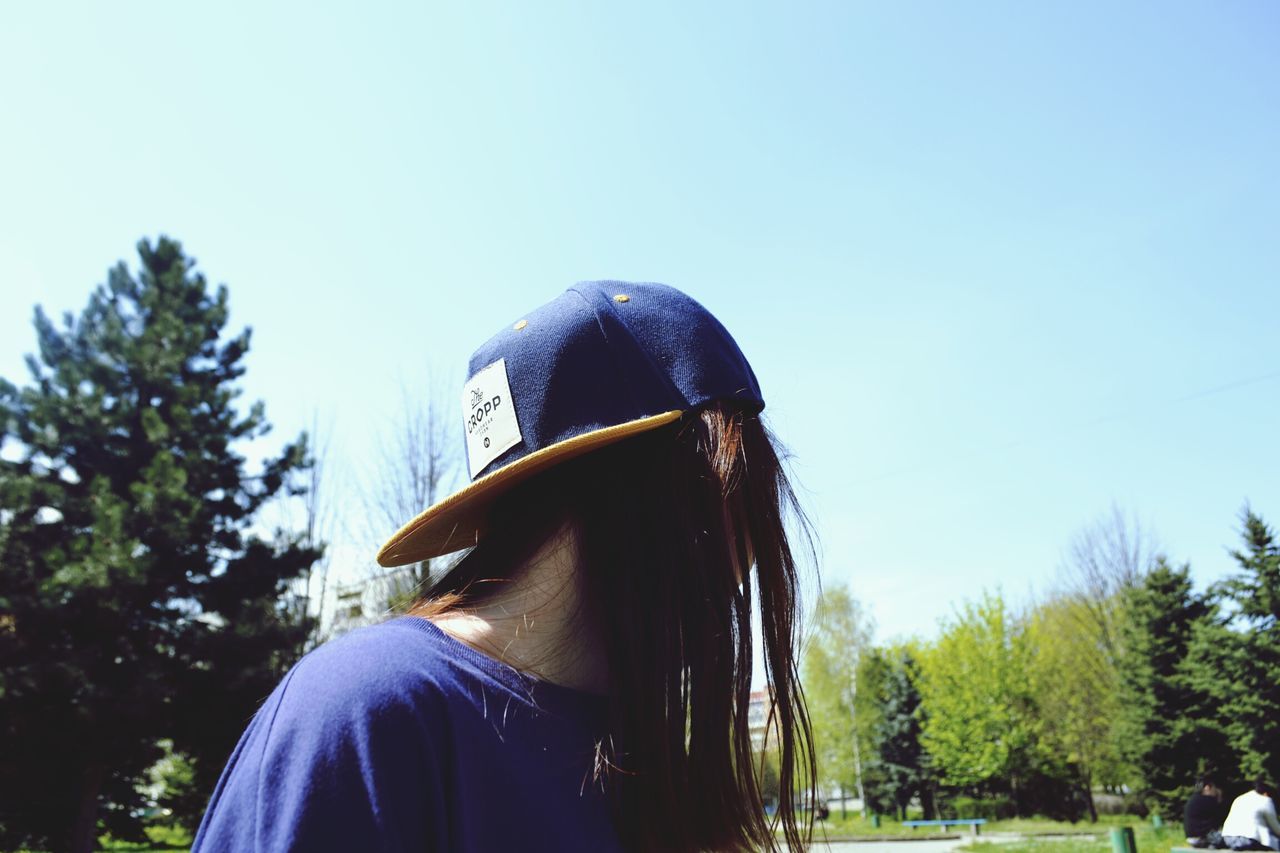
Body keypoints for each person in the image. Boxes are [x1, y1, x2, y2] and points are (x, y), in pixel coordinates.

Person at [192, 281, 818, 852]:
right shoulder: (367, 710)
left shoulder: (639, 753)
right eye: (745, 477)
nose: (756, 546)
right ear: (685, 487)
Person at [1222, 778, 1280, 851]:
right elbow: (1276, 828)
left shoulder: (1240, 798)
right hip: (1249, 839)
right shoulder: (1266, 800)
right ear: (1266, 793)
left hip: (1228, 838)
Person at [1185, 775, 1227, 848]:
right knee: (1231, 840)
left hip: (1191, 838)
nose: (1216, 791)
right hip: (1202, 837)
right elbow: (1220, 818)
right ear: (1207, 787)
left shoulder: (1193, 799)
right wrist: (1219, 798)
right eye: (1214, 788)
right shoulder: (1209, 800)